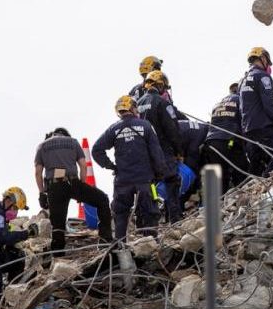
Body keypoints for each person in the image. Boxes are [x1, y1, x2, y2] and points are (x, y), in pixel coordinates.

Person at [92, 96, 169, 239]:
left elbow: (96, 150)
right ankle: (150, 243)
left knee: (120, 214)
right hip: (145, 180)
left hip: (123, 181)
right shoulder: (145, 125)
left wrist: (111, 166)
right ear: (133, 108)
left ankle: (120, 245)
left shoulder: (113, 129)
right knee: (150, 212)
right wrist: (160, 172)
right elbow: (156, 152)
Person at [34, 127, 112, 254]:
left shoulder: (42, 146)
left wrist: (42, 193)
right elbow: (83, 165)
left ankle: (58, 255)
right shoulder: (73, 142)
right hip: (72, 182)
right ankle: (105, 241)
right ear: (66, 134)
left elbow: (38, 173)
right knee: (102, 199)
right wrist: (81, 187)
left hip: (54, 187)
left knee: (58, 224)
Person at [137, 70, 183, 222]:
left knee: (148, 186)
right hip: (163, 150)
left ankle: (143, 221)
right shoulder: (162, 103)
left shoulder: (138, 104)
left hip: (144, 153)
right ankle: (174, 219)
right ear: (161, 84)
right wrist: (179, 151)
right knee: (172, 182)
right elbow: (172, 129)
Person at [239, 47, 273, 176]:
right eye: (267, 62)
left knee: (256, 162)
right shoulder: (263, 76)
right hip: (263, 125)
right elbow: (269, 102)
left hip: (248, 128)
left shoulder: (242, 80)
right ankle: (267, 179)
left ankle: (255, 190)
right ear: (263, 58)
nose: (268, 66)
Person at [0, 188, 37, 298]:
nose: (15, 212)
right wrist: (26, 233)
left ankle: (13, 290)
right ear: (8, 201)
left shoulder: (1, 212)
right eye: (15, 208)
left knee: (18, 257)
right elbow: (3, 237)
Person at [203, 83, 249, 193]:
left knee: (222, 176)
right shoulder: (240, 100)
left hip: (211, 143)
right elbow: (245, 121)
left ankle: (221, 204)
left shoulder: (218, 104)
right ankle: (244, 197)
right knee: (242, 170)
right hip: (230, 141)